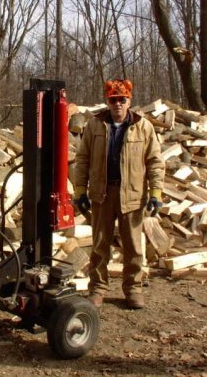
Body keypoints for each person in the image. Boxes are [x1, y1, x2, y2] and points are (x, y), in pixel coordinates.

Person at [73, 78, 165, 309]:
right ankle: (98, 289)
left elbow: (155, 161)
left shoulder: (143, 127)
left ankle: (133, 288)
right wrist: (80, 190)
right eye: (113, 100)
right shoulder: (95, 125)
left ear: (129, 101)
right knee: (99, 245)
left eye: (122, 100)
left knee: (133, 247)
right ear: (108, 101)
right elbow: (82, 159)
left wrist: (156, 192)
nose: (117, 105)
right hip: (102, 194)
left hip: (132, 195)